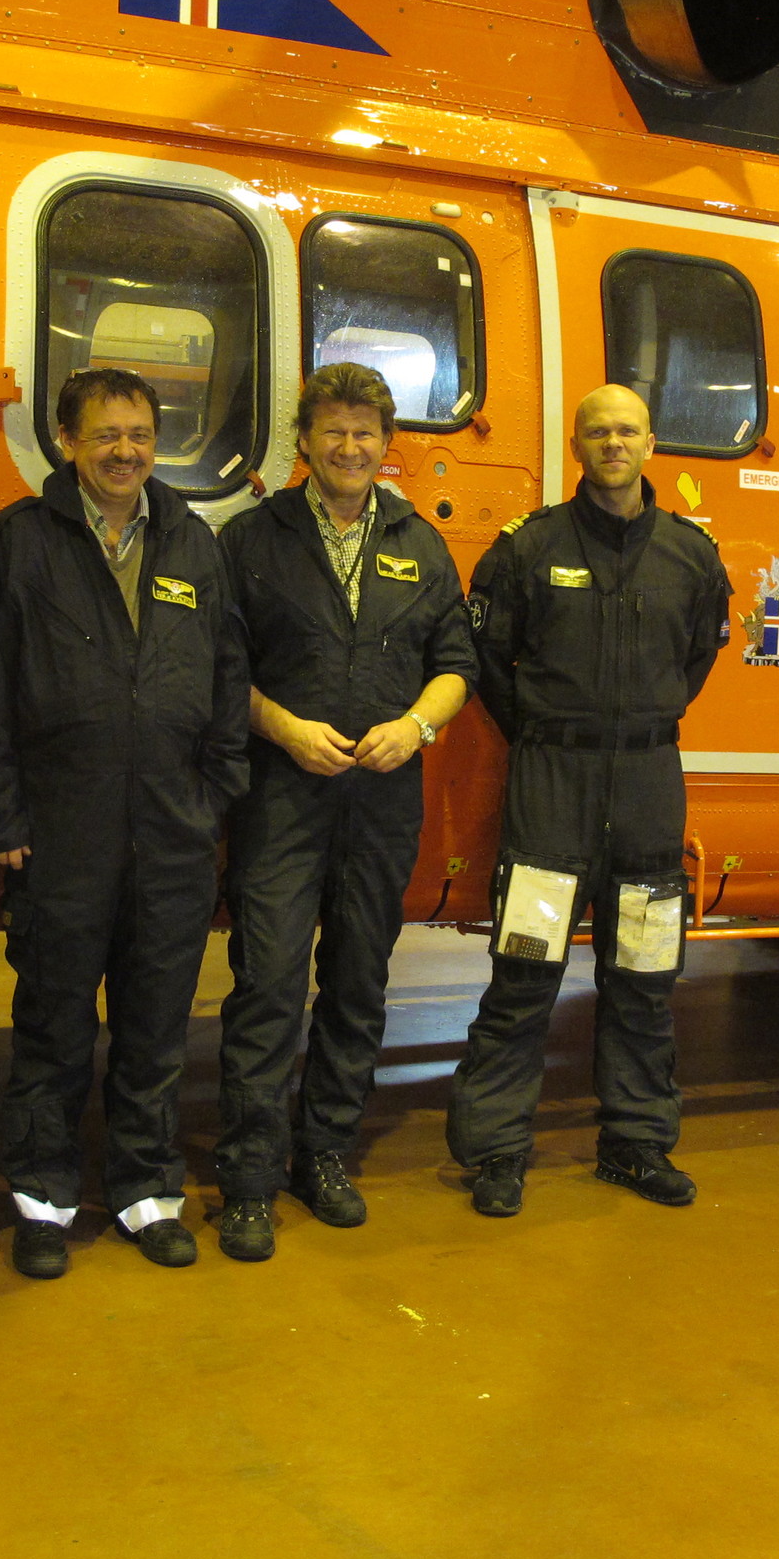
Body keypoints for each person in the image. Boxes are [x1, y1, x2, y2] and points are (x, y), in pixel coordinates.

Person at [0, 366, 249, 1276]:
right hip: (62, 833)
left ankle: (145, 1192)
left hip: (171, 834)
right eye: (105, 435)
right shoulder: (19, 541)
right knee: (52, 1029)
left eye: (139, 434)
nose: (125, 450)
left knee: (156, 1027)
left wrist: (214, 798)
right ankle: (44, 1202)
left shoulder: (193, 543)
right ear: (66, 442)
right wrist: (3, 811)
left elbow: (226, 678)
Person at [447, 383, 734, 1218]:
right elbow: (491, 663)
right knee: (525, 973)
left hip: (648, 788)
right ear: (577, 444)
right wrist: (553, 732)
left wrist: (633, 726)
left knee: (645, 975)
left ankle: (636, 1145)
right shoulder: (527, 549)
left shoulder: (691, 554)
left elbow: (695, 662)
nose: (614, 442)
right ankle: (498, 1152)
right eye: (598, 430)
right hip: (552, 787)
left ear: (651, 443)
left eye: (627, 430)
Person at [212, 363, 476, 1262]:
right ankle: (247, 1177)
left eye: (366, 431)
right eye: (333, 431)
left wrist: (415, 725)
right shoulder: (253, 539)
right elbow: (216, 667)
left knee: (360, 983)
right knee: (270, 984)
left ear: (387, 442)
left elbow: (456, 662)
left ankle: (323, 1153)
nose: (350, 446)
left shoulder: (419, 540)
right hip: (282, 796)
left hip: (382, 798)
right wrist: (281, 726)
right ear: (304, 441)